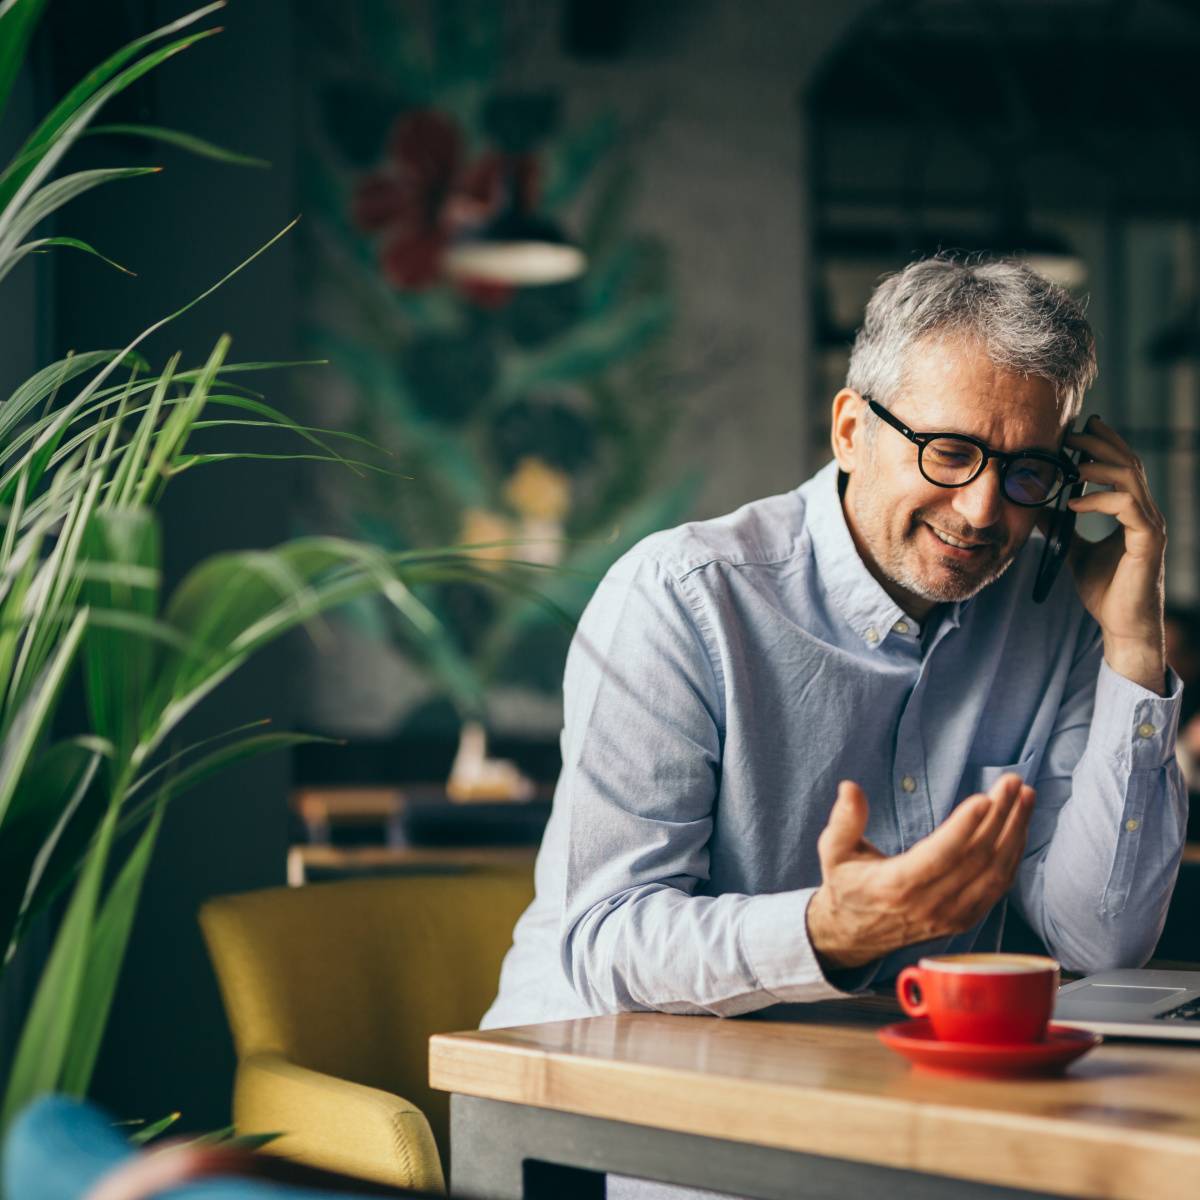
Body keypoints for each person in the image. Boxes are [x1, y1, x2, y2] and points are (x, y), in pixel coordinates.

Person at [482, 256, 1187, 1033]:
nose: (983, 510)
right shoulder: (685, 597)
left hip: (861, 1076)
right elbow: (608, 941)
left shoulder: (1058, 614)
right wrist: (828, 932)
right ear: (851, 431)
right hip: (590, 1069)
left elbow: (1101, 941)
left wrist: (1133, 645)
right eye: (950, 452)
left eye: (1029, 472)